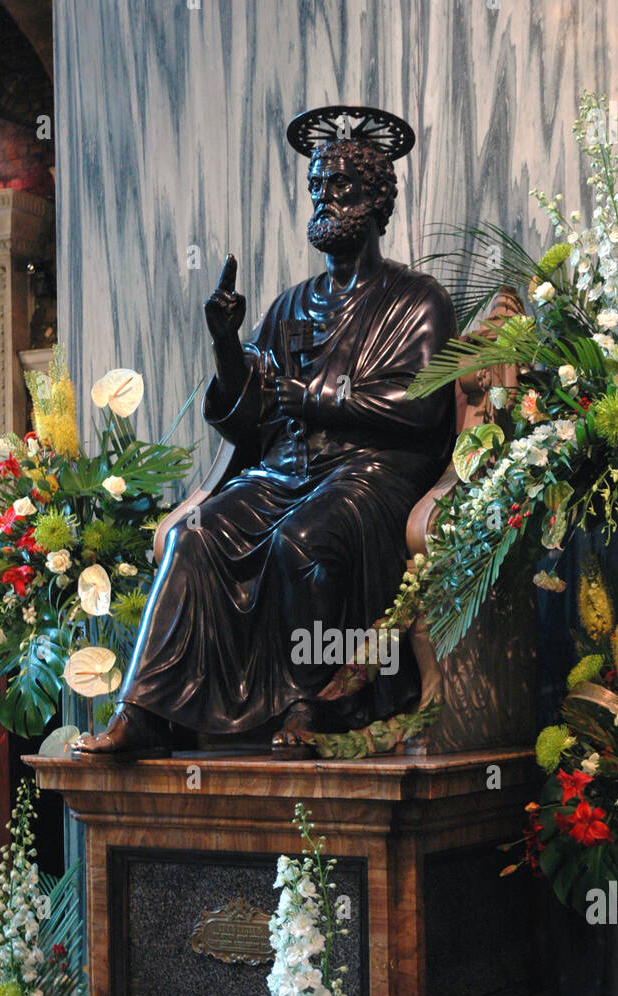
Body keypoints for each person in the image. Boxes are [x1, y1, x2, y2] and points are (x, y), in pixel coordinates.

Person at [74, 105, 456, 760]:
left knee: (304, 541)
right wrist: (226, 349)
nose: (326, 201)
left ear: (377, 201)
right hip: (284, 472)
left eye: (342, 190)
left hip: (372, 475)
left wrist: (311, 396)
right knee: (194, 536)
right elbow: (250, 417)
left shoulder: (416, 301)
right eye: (317, 189)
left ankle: (318, 701)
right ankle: (148, 710)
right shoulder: (290, 305)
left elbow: (421, 406)